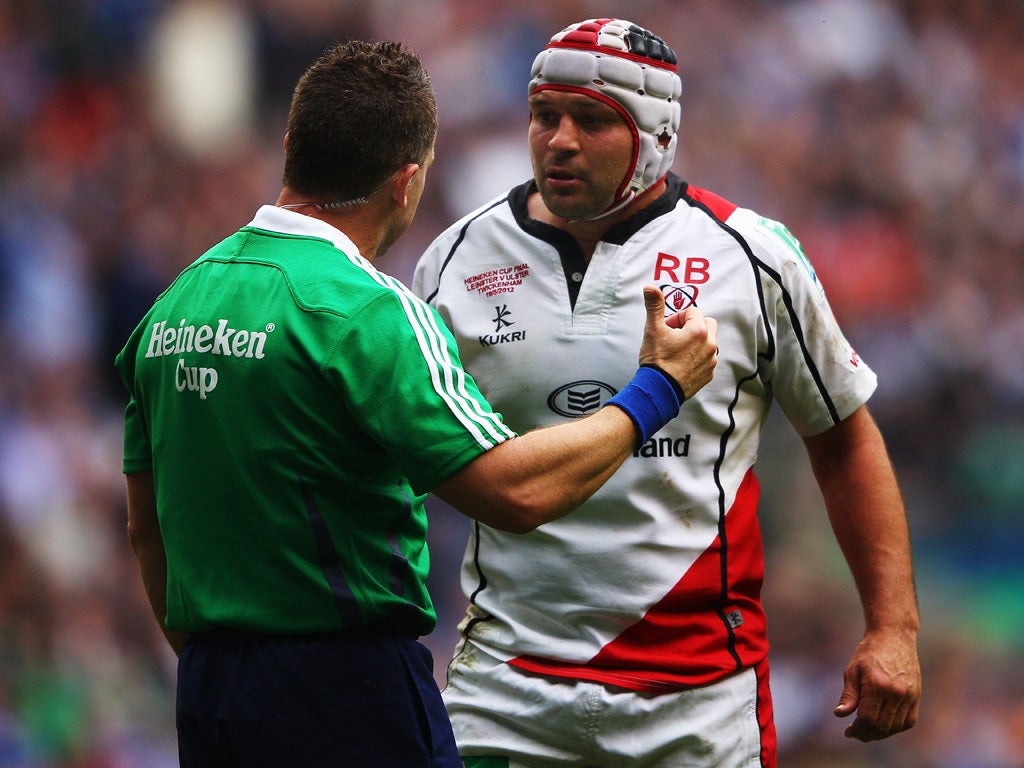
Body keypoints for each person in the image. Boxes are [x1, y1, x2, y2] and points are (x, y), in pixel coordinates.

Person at [114, 39, 719, 768]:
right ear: (406, 182)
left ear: (291, 150)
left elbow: (146, 530)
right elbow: (515, 490)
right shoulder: (367, 313)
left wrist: (224, 661)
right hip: (348, 691)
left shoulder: (173, 308)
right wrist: (658, 388)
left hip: (211, 694)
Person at [412, 17, 921, 768]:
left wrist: (894, 629)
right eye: (544, 115)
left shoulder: (752, 257)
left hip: (697, 706)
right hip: (503, 697)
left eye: (590, 120)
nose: (558, 139)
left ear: (655, 135)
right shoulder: (454, 260)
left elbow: (843, 438)